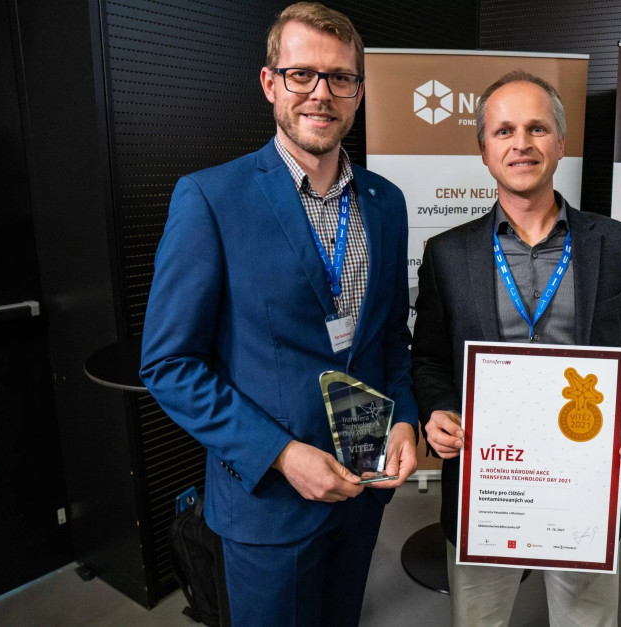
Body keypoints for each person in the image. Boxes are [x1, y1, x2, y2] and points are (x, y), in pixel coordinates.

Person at [139, 3, 417, 625]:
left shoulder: (386, 202)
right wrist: (283, 454)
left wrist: (404, 419)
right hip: (268, 506)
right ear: (270, 83)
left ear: (359, 91)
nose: (321, 93)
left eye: (340, 77)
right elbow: (169, 365)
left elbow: (389, 337)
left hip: (362, 493)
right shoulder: (211, 198)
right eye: (301, 74)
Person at [411, 70, 621, 626]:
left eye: (536, 128)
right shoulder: (447, 255)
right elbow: (429, 357)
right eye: (504, 131)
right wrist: (437, 408)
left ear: (560, 142)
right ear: (484, 149)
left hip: (583, 485)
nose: (521, 143)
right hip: (487, 486)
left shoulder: (618, 245)